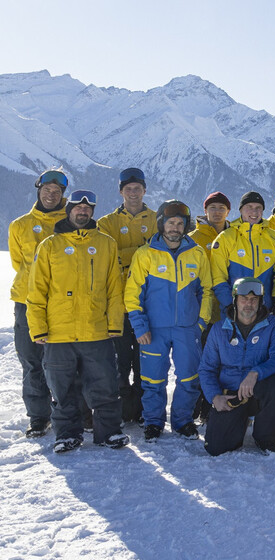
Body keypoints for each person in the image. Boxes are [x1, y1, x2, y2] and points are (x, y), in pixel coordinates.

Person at [26, 190, 130, 453]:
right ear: (69, 209)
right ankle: (67, 434)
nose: (82, 212)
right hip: (59, 333)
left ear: (92, 212)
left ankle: (110, 432)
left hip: (96, 331)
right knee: (62, 390)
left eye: (88, 209)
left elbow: (114, 288)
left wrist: (115, 323)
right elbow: (36, 291)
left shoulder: (106, 243)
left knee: (105, 384)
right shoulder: (49, 245)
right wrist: (38, 328)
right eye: (78, 208)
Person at [124, 200, 214, 442]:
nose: (175, 228)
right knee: (152, 379)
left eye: (180, 224)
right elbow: (132, 295)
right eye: (171, 223)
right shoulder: (146, 254)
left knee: (188, 378)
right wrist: (140, 326)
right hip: (154, 330)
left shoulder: (196, 253)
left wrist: (201, 323)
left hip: (187, 329)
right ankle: (153, 422)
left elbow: (207, 290)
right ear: (162, 224)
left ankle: (183, 421)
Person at [199, 277, 275, 455]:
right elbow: (206, 368)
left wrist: (256, 372)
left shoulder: (273, 325)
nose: (249, 304)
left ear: (261, 302)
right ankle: (238, 422)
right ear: (235, 300)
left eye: (254, 299)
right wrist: (214, 397)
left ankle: (266, 437)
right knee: (215, 448)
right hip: (231, 394)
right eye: (244, 299)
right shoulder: (218, 329)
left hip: (258, 390)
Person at [10, 170, 69, 437]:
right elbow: (17, 263)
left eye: (57, 192)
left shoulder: (72, 221)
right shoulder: (19, 225)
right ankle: (38, 416)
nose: (51, 195)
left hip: (61, 302)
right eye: (47, 190)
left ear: (63, 195)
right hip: (26, 301)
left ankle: (66, 410)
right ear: (38, 190)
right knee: (31, 360)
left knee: (63, 362)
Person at [98, 167, 156, 424]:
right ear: (121, 192)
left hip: (151, 303)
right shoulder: (107, 223)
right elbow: (105, 259)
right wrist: (143, 252)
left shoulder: (158, 219)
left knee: (145, 359)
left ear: (145, 190)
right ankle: (123, 410)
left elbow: (164, 255)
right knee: (120, 360)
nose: (133, 193)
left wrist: (127, 256)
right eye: (128, 189)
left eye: (138, 188)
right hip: (118, 304)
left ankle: (143, 410)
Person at [209, 191, 275, 320]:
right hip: (233, 311)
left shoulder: (274, 238)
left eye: (258, 208)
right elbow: (218, 277)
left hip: (265, 310)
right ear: (241, 210)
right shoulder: (226, 238)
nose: (254, 212)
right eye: (249, 207)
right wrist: (229, 304)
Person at [189, 191, 231, 327]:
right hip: (200, 305)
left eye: (221, 208)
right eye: (212, 207)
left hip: (228, 304)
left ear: (228, 212)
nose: (217, 212)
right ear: (205, 210)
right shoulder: (192, 239)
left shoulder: (234, 236)